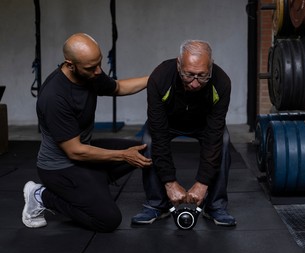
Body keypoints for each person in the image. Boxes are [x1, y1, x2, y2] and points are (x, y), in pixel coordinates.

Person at [22, 33, 152, 232]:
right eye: (92, 67)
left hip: (84, 155)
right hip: (60, 168)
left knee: (143, 148)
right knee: (108, 220)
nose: (98, 71)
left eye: (99, 63)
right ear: (70, 64)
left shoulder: (91, 73)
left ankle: (92, 185)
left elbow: (118, 87)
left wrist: (155, 78)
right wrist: (123, 155)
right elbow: (74, 151)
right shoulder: (54, 96)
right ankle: (40, 195)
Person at [132, 39, 236, 226]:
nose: (195, 83)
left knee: (223, 139)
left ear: (210, 67)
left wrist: (202, 183)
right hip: (168, 123)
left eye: (202, 76)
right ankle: (157, 204)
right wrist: (170, 183)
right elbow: (159, 132)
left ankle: (215, 206)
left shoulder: (221, 82)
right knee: (149, 139)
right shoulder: (160, 78)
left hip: (204, 124)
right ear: (179, 64)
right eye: (189, 75)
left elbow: (213, 135)